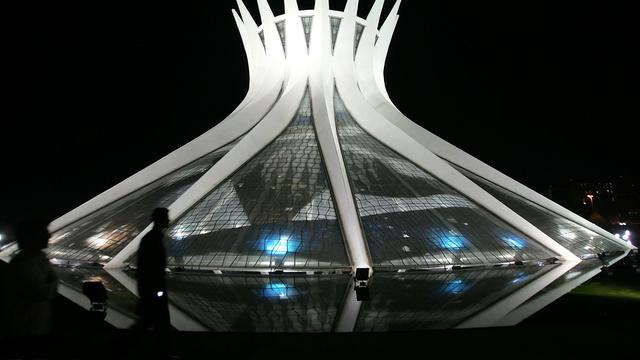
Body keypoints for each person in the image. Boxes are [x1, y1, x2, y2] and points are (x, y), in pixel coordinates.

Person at [2, 218, 58, 357]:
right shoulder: (27, 263)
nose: (49, 235)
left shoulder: (32, 260)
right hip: (28, 333)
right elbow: (44, 292)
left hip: (32, 330)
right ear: (32, 236)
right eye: (44, 232)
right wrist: (54, 280)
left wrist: (50, 280)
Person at [134, 207, 172, 356]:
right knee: (160, 321)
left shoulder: (153, 237)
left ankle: (159, 352)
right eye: (166, 217)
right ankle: (160, 353)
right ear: (159, 219)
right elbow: (147, 267)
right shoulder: (152, 239)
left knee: (153, 321)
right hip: (154, 288)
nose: (169, 220)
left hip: (153, 287)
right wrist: (156, 290)